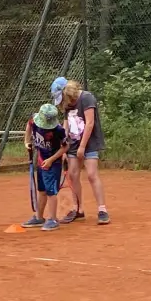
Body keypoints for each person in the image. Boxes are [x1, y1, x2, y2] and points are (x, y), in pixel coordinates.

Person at [51, 77, 110, 225]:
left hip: (89, 143)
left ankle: (102, 210)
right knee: (72, 175)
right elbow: (65, 126)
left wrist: (82, 147)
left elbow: (90, 123)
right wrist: (63, 147)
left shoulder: (87, 98)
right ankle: (78, 209)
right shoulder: (67, 104)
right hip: (72, 144)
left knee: (91, 175)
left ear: (67, 92)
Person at [21, 104, 68, 231]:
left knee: (51, 192)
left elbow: (65, 147)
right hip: (41, 160)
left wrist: (51, 160)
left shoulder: (58, 130)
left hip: (53, 164)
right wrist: (27, 141)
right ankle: (39, 217)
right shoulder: (34, 120)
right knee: (42, 190)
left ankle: (52, 219)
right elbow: (29, 126)